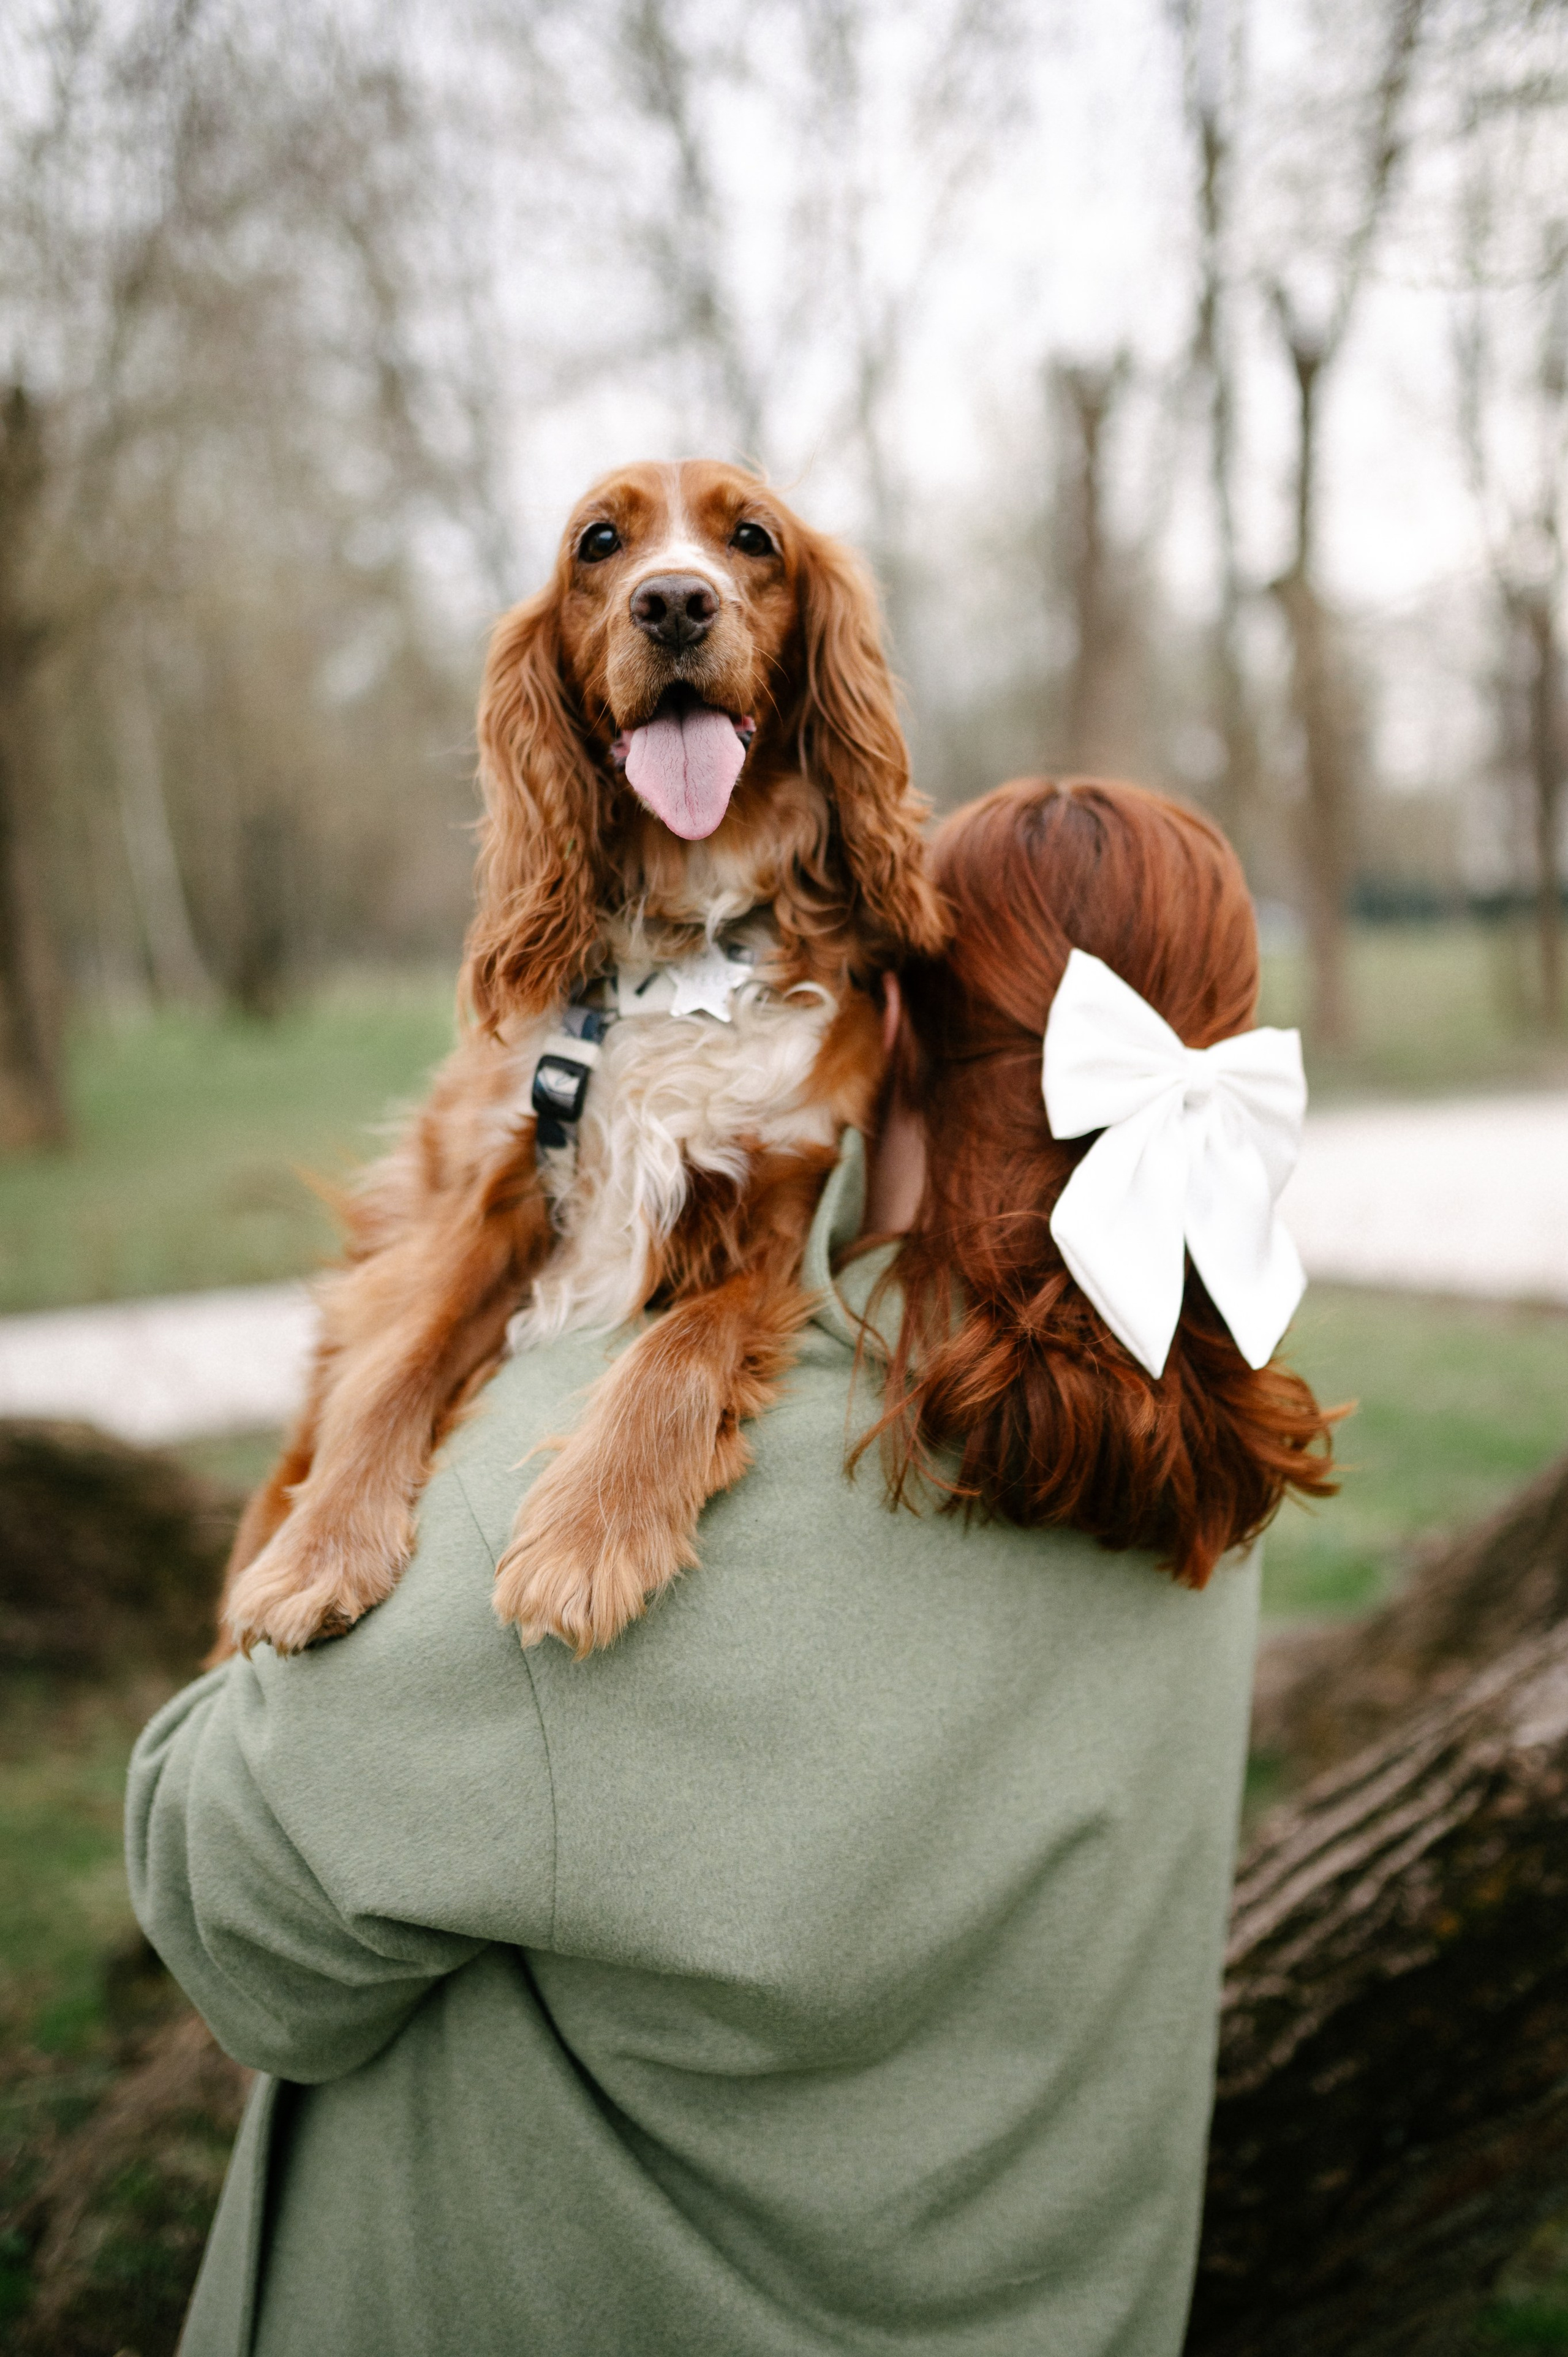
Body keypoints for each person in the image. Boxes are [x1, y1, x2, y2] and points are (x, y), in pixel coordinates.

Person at [127, 775, 1335, 2357]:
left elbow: (224, 1911)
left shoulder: (587, 1527)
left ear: (885, 1034)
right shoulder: (1196, 1468)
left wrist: (549, 1340)